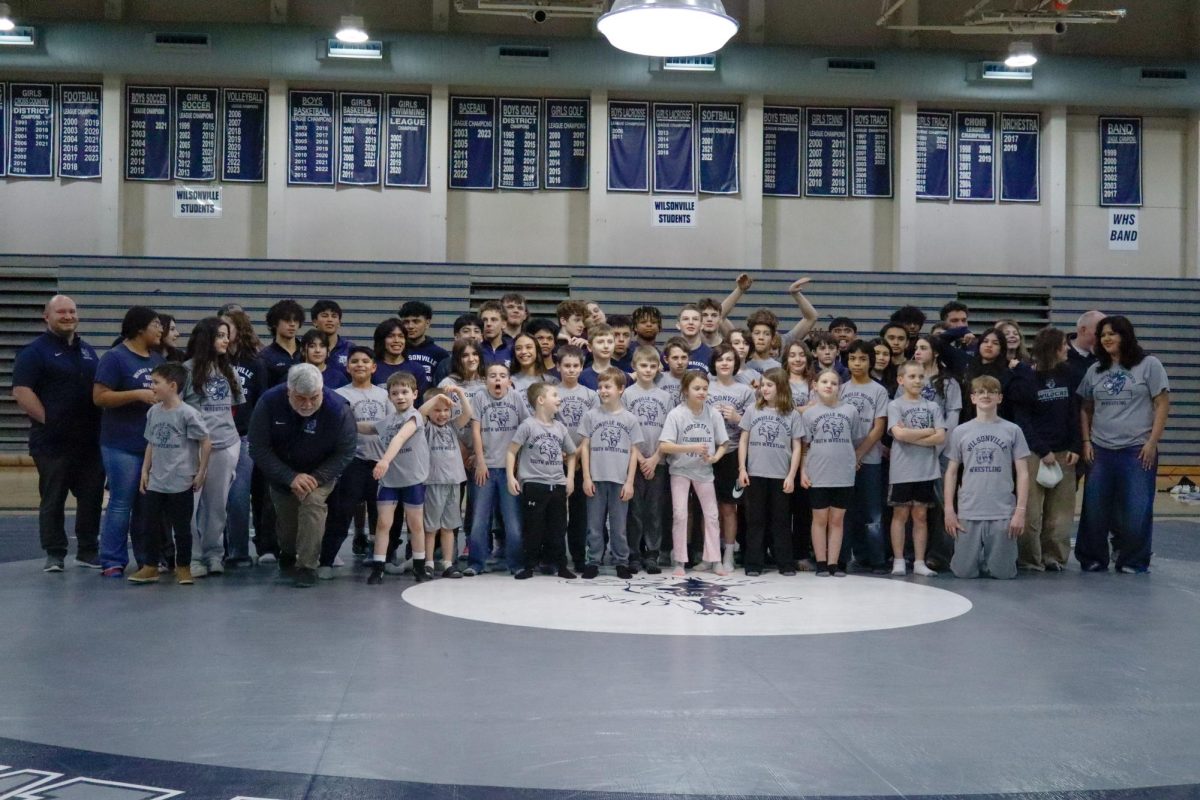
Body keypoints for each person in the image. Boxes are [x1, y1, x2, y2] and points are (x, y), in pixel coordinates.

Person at [12, 295, 106, 572]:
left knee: (91, 498)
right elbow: (22, 391)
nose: (68, 316)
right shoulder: (33, 352)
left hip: (90, 442)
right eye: (61, 312)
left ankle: (88, 550)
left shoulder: (88, 351)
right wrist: (48, 421)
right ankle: (55, 553)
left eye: (72, 311)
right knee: (53, 498)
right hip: (52, 443)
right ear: (47, 317)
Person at [248, 363, 357, 588]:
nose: (307, 404)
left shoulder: (339, 409)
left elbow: (346, 451)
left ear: (322, 390)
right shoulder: (268, 403)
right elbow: (258, 448)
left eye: (314, 398)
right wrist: (290, 477)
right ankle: (288, 552)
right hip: (283, 472)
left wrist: (316, 478)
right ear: (288, 391)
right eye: (300, 398)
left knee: (312, 503)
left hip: (321, 472)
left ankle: (307, 566)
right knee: (288, 530)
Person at [1075, 316, 1169, 574]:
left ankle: (1133, 561)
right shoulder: (1095, 370)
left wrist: (1152, 442)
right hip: (1101, 449)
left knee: (1136, 508)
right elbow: (1085, 407)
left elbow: (1162, 403)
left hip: (1137, 450)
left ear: (1125, 336)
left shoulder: (1149, 365)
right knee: (1094, 507)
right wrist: (1086, 441)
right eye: (1103, 334)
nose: (1106, 338)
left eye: (1112, 334)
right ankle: (1092, 558)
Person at [93, 306, 165, 577]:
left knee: (147, 506)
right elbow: (100, 397)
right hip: (121, 443)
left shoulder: (157, 359)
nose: (160, 329)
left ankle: (147, 559)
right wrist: (136, 394)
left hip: (152, 445)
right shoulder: (115, 358)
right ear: (139, 328)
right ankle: (112, 559)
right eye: (156, 324)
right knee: (121, 502)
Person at [367, 372, 451, 585]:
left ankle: (419, 567)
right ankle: (378, 567)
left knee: (415, 525)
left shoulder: (415, 417)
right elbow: (369, 428)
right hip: (390, 481)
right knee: (383, 524)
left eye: (405, 392)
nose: (400, 396)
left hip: (413, 479)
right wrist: (346, 419)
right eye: (395, 393)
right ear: (389, 397)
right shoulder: (389, 420)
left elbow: (400, 437)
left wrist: (384, 460)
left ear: (414, 394)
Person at [944, 375, 1031, 580]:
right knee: (963, 573)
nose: (986, 395)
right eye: (981, 392)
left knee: (1003, 574)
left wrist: (1020, 511)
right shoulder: (960, 431)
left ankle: (993, 558)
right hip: (969, 510)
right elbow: (951, 472)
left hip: (1002, 511)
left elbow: (1024, 473)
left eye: (991, 391)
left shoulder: (1013, 430)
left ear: (1000, 398)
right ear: (973, 398)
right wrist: (949, 509)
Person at [132, 363, 211, 585]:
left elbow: (205, 442)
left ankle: (183, 567)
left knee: (182, 528)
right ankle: (150, 566)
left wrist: (201, 471)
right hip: (157, 480)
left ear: (173, 386)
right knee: (150, 525)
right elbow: (151, 443)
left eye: (156, 382)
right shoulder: (153, 412)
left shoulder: (188, 414)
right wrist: (145, 471)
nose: (152, 386)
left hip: (180, 480)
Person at [318, 346, 390, 579]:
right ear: (347, 367)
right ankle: (326, 560)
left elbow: (393, 425)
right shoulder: (338, 394)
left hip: (381, 462)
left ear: (374, 367)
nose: (360, 365)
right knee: (342, 512)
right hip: (353, 462)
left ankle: (382, 558)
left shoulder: (385, 395)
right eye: (355, 361)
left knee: (381, 514)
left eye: (365, 361)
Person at [1012, 327, 1081, 572]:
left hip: (1065, 453)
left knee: (1060, 515)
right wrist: (1042, 450)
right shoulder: (1027, 378)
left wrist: (1075, 445)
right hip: (1033, 453)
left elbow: (1075, 413)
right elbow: (1023, 420)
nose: (1067, 349)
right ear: (1053, 348)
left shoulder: (1069, 374)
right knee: (1031, 513)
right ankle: (1030, 559)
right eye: (1064, 344)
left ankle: (1055, 557)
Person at [182, 317, 244, 577]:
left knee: (217, 505)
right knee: (189, 506)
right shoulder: (185, 370)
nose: (226, 340)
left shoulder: (229, 371)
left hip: (226, 444)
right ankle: (192, 557)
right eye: (220, 335)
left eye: (226, 335)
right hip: (193, 447)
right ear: (206, 338)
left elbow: (235, 407)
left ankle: (213, 553)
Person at [659, 371, 729, 577]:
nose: (701, 392)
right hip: (680, 470)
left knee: (712, 515)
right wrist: (690, 447)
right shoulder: (676, 414)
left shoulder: (713, 414)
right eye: (696, 388)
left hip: (704, 471)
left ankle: (714, 559)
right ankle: (680, 560)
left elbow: (723, 443)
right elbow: (665, 446)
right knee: (680, 514)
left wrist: (715, 458)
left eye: (705, 389)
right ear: (685, 391)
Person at [508, 382, 579, 580]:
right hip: (534, 484)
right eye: (554, 395)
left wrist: (570, 478)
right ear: (541, 400)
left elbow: (572, 453)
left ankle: (560, 565)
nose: (559, 399)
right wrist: (511, 477)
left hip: (557, 485)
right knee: (533, 527)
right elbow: (511, 451)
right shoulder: (528, 426)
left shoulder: (561, 428)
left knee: (558, 528)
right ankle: (529, 565)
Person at [579, 368, 643, 580]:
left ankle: (621, 561)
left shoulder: (630, 419)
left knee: (619, 526)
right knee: (594, 526)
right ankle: (593, 560)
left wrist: (630, 482)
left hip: (620, 480)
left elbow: (635, 452)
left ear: (621, 389)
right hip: (596, 479)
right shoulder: (590, 416)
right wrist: (586, 477)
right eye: (601, 387)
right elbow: (585, 447)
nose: (603, 391)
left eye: (608, 387)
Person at [737, 368, 802, 576]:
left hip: (780, 476)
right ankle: (754, 564)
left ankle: (785, 563)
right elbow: (744, 440)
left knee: (781, 521)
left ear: (781, 387)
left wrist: (792, 475)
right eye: (762, 384)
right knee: (755, 520)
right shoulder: (752, 410)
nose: (764, 388)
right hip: (755, 474)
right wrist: (742, 468)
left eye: (769, 385)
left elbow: (798, 446)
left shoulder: (791, 414)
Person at [466, 361, 529, 576]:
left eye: (502, 375)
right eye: (492, 376)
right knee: (479, 520)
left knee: (513, 521)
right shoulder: (480, 397)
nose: (498, 379)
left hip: (509, 470)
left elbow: (526, 428)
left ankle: (515, 563)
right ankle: (476, 562)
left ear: (509, 380)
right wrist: (481, 461)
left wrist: (520, 462)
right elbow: (476, 431)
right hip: (486, 468)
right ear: (485, 380)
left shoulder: (516, 397)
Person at [887, 361, 947, 577]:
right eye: (912, 376)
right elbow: (899, 435)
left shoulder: (932, 406)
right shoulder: (895, 405)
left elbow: (941, 437)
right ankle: (899, 559)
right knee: (900, 514)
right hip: (902, 470)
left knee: (920, 515)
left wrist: (913, 435)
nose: (917, 381)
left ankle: (920, 561)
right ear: (900, 380)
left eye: (921, 377)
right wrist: (928, 431)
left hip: (926, 470)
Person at [801, 369, 859, 577]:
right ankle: (821, 562)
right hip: (818, 473)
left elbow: (855, 439)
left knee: (837, 520)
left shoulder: (850, 410)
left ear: (839, 387)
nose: (829, 386)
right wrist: (803, 471)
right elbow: (804, 447)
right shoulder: (808, 414)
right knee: (819, 519)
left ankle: (834, 563)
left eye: (833, 383)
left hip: (843, 474)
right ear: (815, 386)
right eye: (824, 381)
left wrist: (854, 461)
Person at [839, 341, 890, 573]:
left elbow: (879, 427)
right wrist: (849, 455)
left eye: (862, 359)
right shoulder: (841, 388)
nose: (857, 363)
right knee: (846, 511)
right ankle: (848, 557)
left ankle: (877, 558)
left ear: (870, 361)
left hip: (870, 460)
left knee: (872, 511)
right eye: (852, 359)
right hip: (843, 460)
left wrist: (859, 453)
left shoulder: (879, 390)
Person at [221, 308, 265, 567]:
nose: (224, 334)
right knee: (213, 499)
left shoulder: (255, 361)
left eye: (228, 328)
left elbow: (262, 401)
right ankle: (213, 550)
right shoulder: (209, 361)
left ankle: (238, 552)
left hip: (244, 435)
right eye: (219, 329)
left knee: (238, 496)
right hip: (213, 437)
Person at [622, 346, 672, 575]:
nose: (648, 370)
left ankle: (652, 554)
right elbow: (623, 430)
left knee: (654, 511)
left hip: (657, 462)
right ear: (634, 367)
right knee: (634, 511)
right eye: (643, 365)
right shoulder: (627, 395)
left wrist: (654, 459)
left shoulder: (666, 397)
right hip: (633, 463)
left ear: (659, 368)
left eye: (653, 366)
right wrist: (641, 458)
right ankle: (633, 553)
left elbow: (669, 433)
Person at [706, 344, 755, 574]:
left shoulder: (745, 391)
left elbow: (754, 423)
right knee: (708, 507)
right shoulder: (706, 387)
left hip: (733, 453)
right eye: (720, 359)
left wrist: (737, 417)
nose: (724, 363)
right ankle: (710, 554)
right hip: (707, 453)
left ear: (736, 364)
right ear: (713, 364)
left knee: (729, 507)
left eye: (728, 359)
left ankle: (728, 554)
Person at [421, 385, 474, 579]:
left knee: (449, 526)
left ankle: (447, 562)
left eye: (445, 410)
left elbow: (468, 413)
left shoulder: (452, 425)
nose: (442, 414)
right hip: (433, 482)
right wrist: (436, 399)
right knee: (431, 526)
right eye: (437, 410)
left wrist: (459, 393)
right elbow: (421, 412)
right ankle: (427, 562)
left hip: (454, 481)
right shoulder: (425, 426)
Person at [554, 346, 599, 572]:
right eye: (566, 366)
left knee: (580, 514)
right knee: (557, 513)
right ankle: (556, 557)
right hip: (555, 460)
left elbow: (592, 431)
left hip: (583, 460)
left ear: (582, 367)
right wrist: (560, 453)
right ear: (558, 367)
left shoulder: (591, 396)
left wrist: (578, 453)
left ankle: (579, 557)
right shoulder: (551, 392)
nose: (571, 370)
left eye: (575, 366)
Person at [400, 300, 450, 387]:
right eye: (406, 322)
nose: (410, 326)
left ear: (427, 323)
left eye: (416, 321)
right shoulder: (396, 352)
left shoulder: (440, 355)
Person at [259, 299, 305, 388]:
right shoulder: (264, 357)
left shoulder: (307, 351)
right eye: (287, 320)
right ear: (275, 323)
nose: (292, 324)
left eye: (295, 320)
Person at [431, 313, 484, 386]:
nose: (472, 335)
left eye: (476, 331)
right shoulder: (445, 365)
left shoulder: (488, 364)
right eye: (466, 331)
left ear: (482, 337)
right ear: (456, 336)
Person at [373, 318, 424, 390]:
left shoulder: (417, 369)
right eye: (391, 336)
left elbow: (422, 400)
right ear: (381, 340)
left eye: (401, 336)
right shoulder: (371, 368)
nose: (397, 340)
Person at [510, 331, 556, 410]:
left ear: (537, 350)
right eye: (518, 348)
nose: (523, 352)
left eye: (528, 347)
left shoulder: (551, 381)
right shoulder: (509, 382)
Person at [310, 299, 353, 375]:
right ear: (314, 322)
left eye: (334, 316)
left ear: (339, 323)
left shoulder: (350, 349)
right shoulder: (307, 348)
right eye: (324, 316)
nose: (330, 320)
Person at [579, 324, 616, 390]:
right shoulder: (582, 377)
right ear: (590, 347)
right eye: (600, 342)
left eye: (610, 342)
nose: (606, 346)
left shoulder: (622, 376)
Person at [479, 300, 514, 368]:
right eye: (484, 320)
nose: (488, 324)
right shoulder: (475, 350)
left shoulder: (513, 349)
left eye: (493, 320)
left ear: (503, 324)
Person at [657, 337, 690, 407]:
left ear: (689, 358)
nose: (680, 362)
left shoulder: (695, 379)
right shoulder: (657, 378)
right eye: (675, 358)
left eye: (684, 357)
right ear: (666, 359)